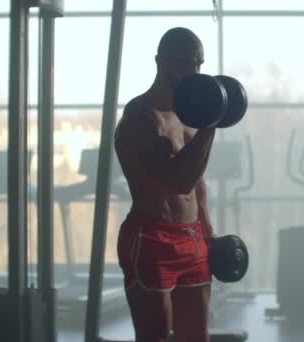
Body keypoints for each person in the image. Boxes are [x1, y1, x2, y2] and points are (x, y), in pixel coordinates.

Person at [114, 27, 216, 342]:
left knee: (196, 338)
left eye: (198, 63)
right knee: (154, 338)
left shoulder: (188, 115)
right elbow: (179, 180)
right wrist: (211, 124)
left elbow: (197, 184)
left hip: (192, 237)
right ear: (160, 61)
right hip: (151, 238)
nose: (193, 71)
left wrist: (207, 231)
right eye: (184, 62)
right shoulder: (141, 118)